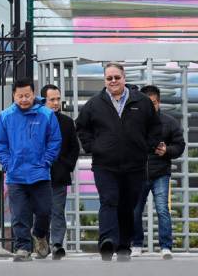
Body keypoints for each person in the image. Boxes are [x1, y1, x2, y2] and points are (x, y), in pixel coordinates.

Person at [76, 62, 162, 262]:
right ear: (104, 80)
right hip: (104, 165)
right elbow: (81, 128)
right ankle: (107, 240)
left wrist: (146, 147)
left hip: (134, 165)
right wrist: (92, 147)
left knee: (127, 205)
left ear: (124, 78)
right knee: (108, 200)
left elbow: (155, 127)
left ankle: (124, 245)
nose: (113, 81)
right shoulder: (94, 104)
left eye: (116, 77)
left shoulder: (142, 102)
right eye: (109, 78)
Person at [0, 77, 62, 262]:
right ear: (14, 96)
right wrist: (7, 162)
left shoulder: (46, 115)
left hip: (40, 173)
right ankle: (23, 248)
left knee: (44, 211)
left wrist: (47, 160)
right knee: (19, 214)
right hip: (16, 174)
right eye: (20, 96)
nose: (24, 99)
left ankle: (40, 236)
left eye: (28, 95)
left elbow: (54, 140)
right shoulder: (5, 116)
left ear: (34, 94)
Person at [131, 85, 185, 260]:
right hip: (138, 172)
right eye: (147, 103)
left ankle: (166, 246)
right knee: (134, 210)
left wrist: (167, 151)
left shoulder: (170, 122)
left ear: (159, 102)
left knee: (163, 209)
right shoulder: (133, 122)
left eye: (153, 103)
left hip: (160, 172)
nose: (151, 107)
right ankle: (136, 244)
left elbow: (180, 145)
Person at [40, 84, 80, 260]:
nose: (56, 103)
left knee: (57, 211)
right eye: (52, 100)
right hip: (38, 176)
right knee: (41, 212)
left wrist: (66, 166)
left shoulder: (67, 122)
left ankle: (57, 244)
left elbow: (74, 148)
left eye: (58, 99)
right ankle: (41, 244)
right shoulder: (36, 120)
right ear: (43, 101)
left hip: (59, 175)